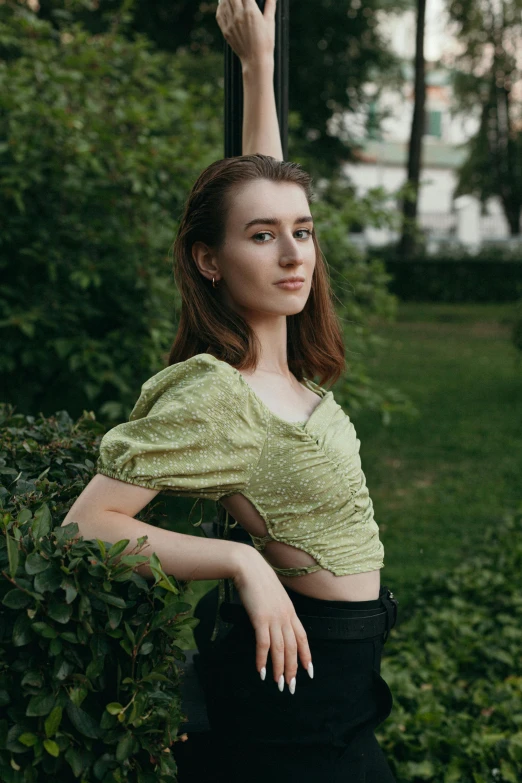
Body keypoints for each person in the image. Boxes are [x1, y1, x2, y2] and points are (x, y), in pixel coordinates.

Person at [63, 1, 399, 780]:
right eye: (262, 237)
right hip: (295, 702)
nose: (293, 252)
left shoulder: (287, 371)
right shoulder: (221, 393)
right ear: (210, 261)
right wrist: (238, 564)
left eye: (303, 231)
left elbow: (260, 188)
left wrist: (258, 67)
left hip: (341, 677)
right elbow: (85, 527)